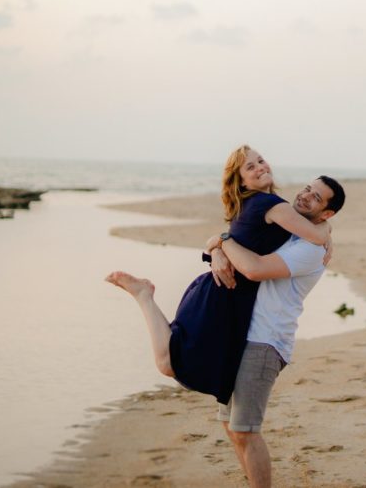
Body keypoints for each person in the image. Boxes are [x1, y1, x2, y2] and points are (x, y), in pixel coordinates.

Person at [105, 145, 330, 405]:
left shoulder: (256, 205)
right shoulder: (270, 205)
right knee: (170, 361)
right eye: (250, 167)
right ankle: (144, 295)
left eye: (261, 160)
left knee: (175, 358)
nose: (260, 167)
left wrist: (325, 225)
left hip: (223, 294)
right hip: (221, 296)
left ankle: (144, 295)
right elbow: (315, 234)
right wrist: (327, 229)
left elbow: (302, 229)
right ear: (241, 181)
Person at [204, 175, 346, 488]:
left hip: (265, 341)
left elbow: (253, 267)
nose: (306, 196)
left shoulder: (309, 249)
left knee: (245, 429)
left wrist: (222, 240)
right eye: (308, 188)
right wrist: (217, 248)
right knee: (230, 424)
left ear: (326, 214)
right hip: (240, 333)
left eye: (317, 198)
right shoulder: (284, 230)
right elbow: (231, 243)